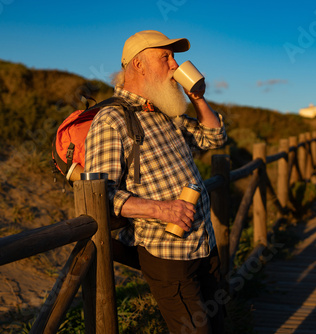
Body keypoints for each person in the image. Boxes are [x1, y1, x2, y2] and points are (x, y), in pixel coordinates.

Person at [84, 30, 227, 333]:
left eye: (174, 57)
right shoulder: (112, 119)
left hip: (204, 243)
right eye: (166, 57)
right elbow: (100, 194)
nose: (176, 64)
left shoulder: (166, 109)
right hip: (167, 252)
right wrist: (163, 211)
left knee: (219, 323)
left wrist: (197, 97)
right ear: (139, 64)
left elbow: (214, 138)